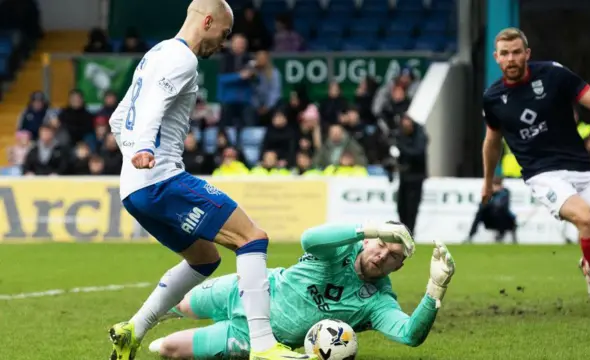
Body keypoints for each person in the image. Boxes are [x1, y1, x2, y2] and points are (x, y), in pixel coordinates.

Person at [107, 1, 316, 359]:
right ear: (207, 21)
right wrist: (144, 146)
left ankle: (133, 329)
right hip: (161, 181)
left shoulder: (154, 54)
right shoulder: (183, 58)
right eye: (225, 33)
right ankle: (265, 347)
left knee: (204, 259)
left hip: (134, 190)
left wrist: (134, 154)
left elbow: (116, 118)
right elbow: (155, 102)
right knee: (252, 238)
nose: (224, 43)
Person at [481, 27, 590, 319]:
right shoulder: (493, 98)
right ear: (496, 58)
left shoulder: (553, 74)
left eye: (516, 52)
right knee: (586, 219)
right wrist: (488, 182)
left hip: (580, 167)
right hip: (543, 174)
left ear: (527, 54)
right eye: (504, 54)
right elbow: (491, 142)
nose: (511, 59)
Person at [143, 221, 455, 359]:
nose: (383, 255)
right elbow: (309, 238)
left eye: (394, 257)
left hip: (254, 337)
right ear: (367, 241)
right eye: (381, 244)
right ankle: (137, 324)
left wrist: (435, 289)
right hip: (250, 288)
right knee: (180, 304)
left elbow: (410, 334)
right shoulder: (338, 249)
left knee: (167, 349)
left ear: (397, 268)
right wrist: (369, 227)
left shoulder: (376, 302)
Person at [466, 177, 517, 243]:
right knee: (480, 212)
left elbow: (501, 206)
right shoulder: (488, 193)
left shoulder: (505, 193)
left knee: (499, 211)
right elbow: (482, 205)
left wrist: (490, 202)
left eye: (497, 185)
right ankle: (470, 236)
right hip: (491, 219)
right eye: (494, 185)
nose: (495, 187)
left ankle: (500, 236)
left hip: (505, 220)